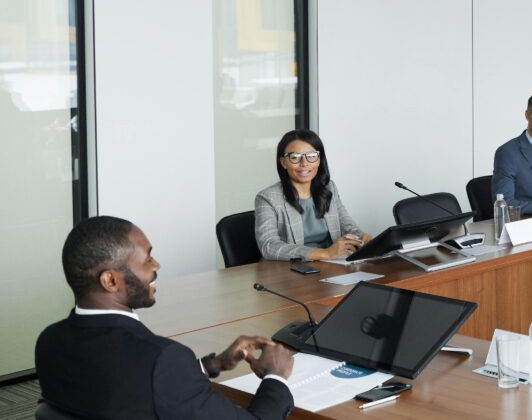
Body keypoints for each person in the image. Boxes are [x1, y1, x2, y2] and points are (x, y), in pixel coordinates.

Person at [35, 216, 295, 419]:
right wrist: (276, 377)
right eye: (147, 259)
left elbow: (125, 386)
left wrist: (212, 365)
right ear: (111, 280)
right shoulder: (162, 358)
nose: (156, 265)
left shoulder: (49, 341)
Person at [254, 129, 371, 261]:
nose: (304, 163)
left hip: (332, 264)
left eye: (311, 156)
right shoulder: (268, 198)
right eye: (295, 157)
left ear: (319, 159)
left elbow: (347, 226)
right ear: (283, 162)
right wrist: (325, 253)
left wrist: (361, 239)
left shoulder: (329, 188)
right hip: (291, 270)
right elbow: (269, 246)